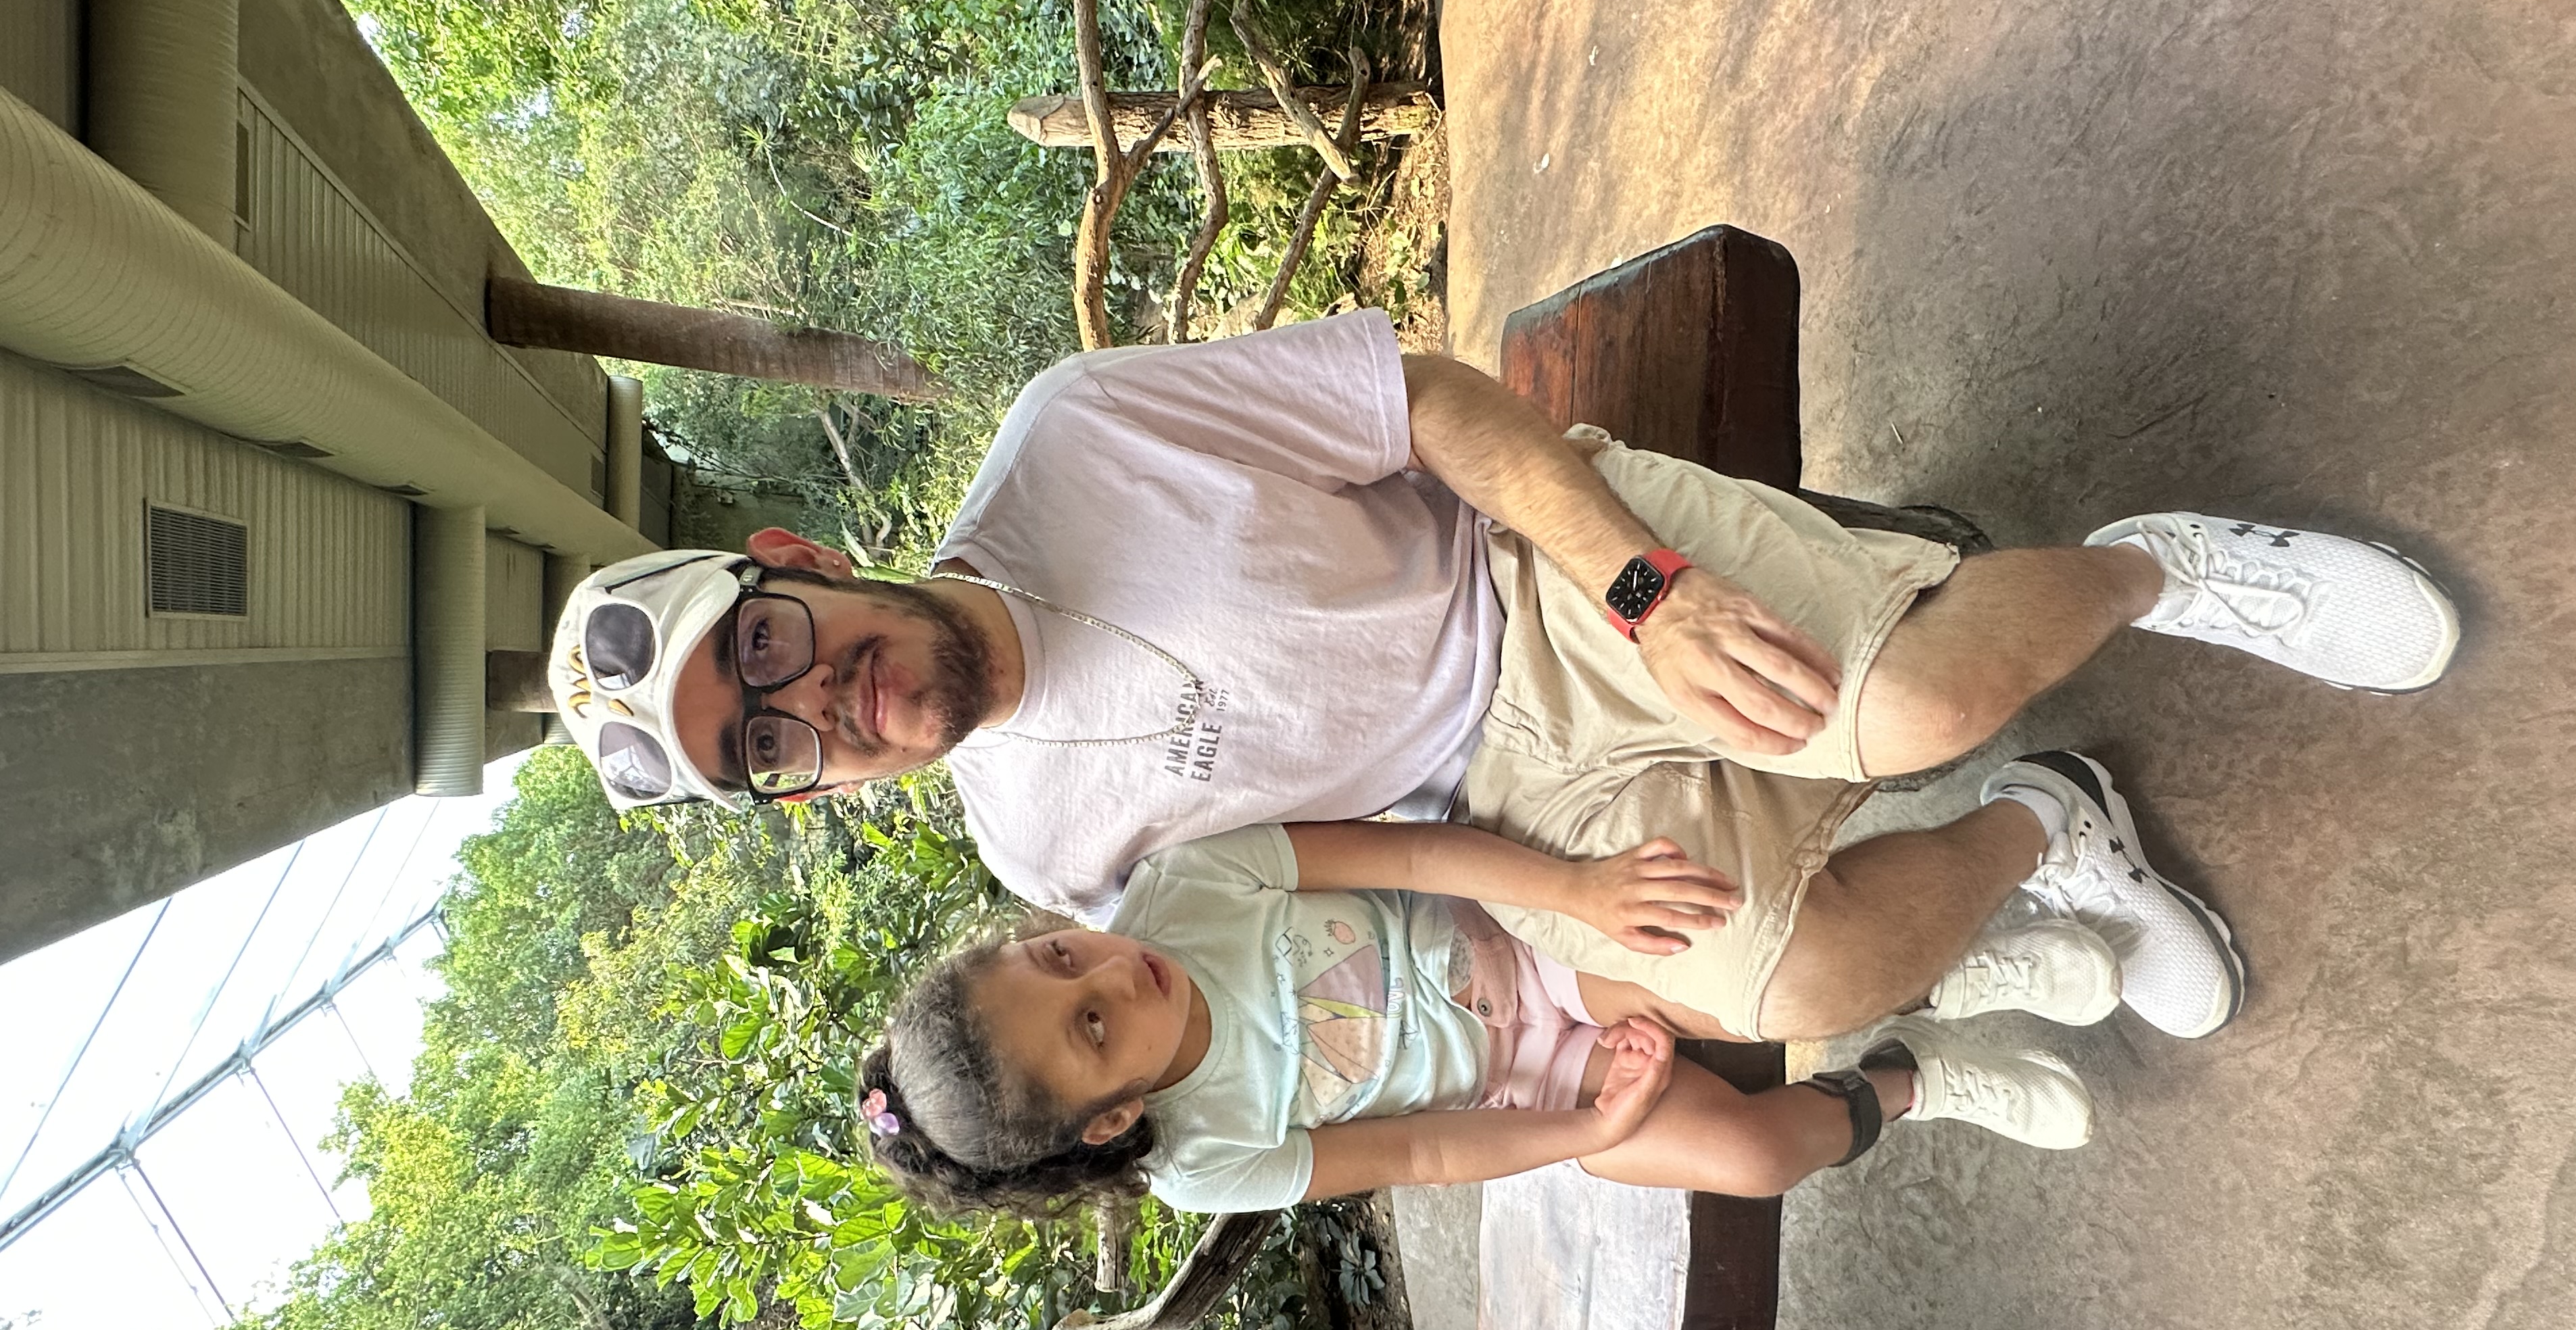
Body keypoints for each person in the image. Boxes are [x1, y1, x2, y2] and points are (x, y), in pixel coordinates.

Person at [550, 311, 2458, 1048]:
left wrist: (1639, 584)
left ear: (792, 561)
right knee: (1783, 991)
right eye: (772, 747)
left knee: (1904, 712)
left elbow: (1437, 406)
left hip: (1545, 577)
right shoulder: (1043, 854)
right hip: (1507, 802)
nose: (829, 707)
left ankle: (2164, 562)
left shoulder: (1078, 435)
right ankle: (2055, 830)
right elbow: (1334, 873)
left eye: (773, 651)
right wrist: (1563, 936)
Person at [852, 818, 2097, 1218]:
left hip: (1538, 947)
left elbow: (1419, 850)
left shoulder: (1188, 889)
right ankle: (1916, 1070)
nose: (1116, 978)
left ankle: (1946, 965)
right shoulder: (1201, 1160)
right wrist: (1591, 1126)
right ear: (1113, 1114)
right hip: (1521, 1090)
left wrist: (1574, 896)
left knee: (1716, 974)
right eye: (1093, 1032)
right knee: (1751, 1158)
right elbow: (1421, 1150)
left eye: (1063, 957)